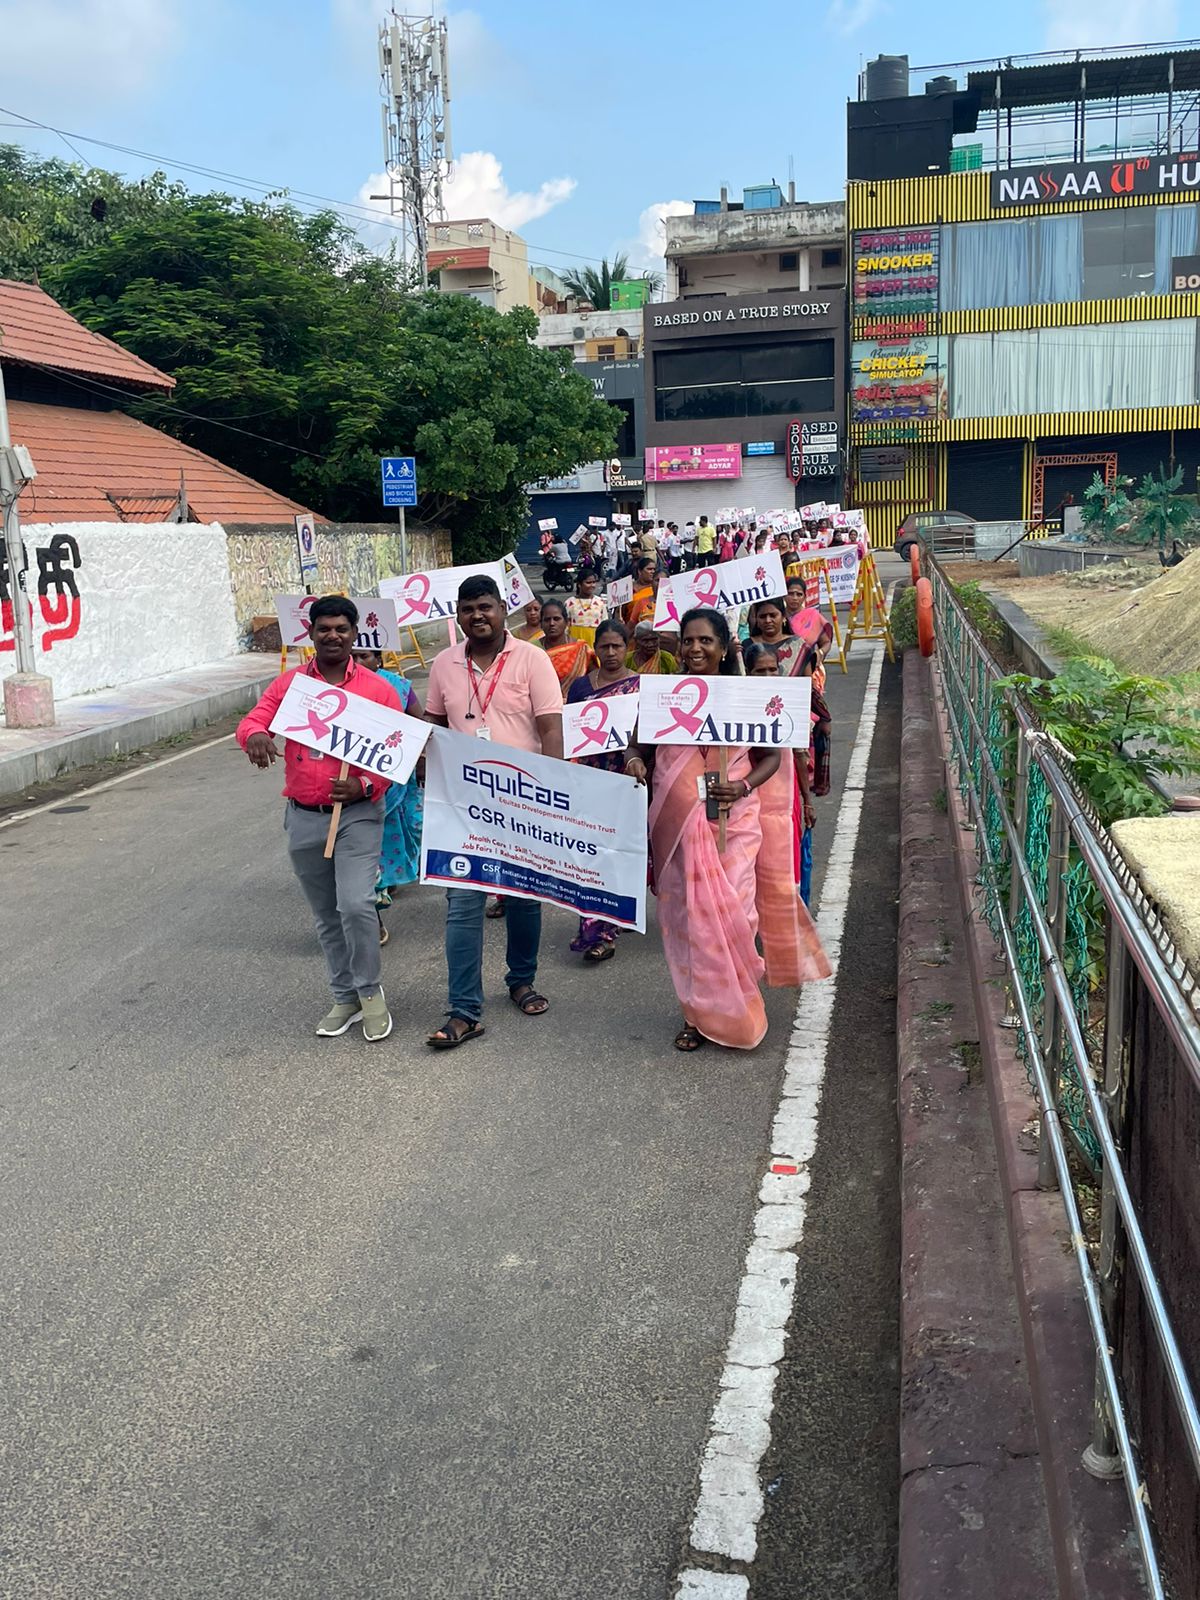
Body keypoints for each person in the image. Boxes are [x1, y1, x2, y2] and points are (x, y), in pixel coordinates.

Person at [628, 607, 830, 1051]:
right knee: (689, 923)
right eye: (688, 640)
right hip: (677, 828)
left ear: (723, 648)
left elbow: (772, 758)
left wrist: (740, 787)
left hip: (735, 823)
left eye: (705, 641)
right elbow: (637, 743)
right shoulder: (663, 695)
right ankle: (697, 1015)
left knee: (735, 916)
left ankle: (737, 1004)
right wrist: (636, 761)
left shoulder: (747, 695)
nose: (695, 648)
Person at [237, 596, 401, 1042]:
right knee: (326, 915)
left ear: (354, 634)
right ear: (310, 634)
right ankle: (343, 996)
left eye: (341, 629)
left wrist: (366, 787)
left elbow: (394, 755)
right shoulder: (290, 686)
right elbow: (253, 721)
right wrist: (254, 736)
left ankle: (370, 994)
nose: (333, 635)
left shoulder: (378, 689)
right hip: (304, 817)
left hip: (358, 816)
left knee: (355, 904)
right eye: (324, 628)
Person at [423, 575, 565, 1047]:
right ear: (458, 615)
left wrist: (553, 795)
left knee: (523, 899)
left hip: (522, 802)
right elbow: (435, 724)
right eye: (468, 609)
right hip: (463, 808)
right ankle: (464, 1010)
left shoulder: (532, 659)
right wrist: (422, 761)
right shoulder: (444, 663)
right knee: (462, 905)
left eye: (485, 607)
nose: (477, 616)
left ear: (502, 609)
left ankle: (521, 980)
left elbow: (550, 730)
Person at [564, 617, 640, 964]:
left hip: (628, 780)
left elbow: (647, 739)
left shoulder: (641, 686)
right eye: (604, 646)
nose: (611, 652)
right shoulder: (580, 687)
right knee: (593, 853)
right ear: (595, 647)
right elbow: (572, 733)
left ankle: (619, 914)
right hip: (591, 780)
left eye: (617, 646)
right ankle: (598, 932)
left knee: (622, 852)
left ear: (628, 648)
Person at [538, 597, 595, 693]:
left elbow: (595, 677)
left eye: (556, 619)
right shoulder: (533, 649)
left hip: (577, 704)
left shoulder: (581, 649)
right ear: (541, 624)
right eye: (547, 620)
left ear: (567, 622)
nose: (552, 623)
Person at [746, 596, 808, 675]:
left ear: (783, 616)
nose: (768, 620)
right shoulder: (747, 646)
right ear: (757, 620)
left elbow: (808, 682)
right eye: (762, 616)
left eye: (773, 615)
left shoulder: (799, 646)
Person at [564, 570, 608, 647]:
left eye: (594, 582)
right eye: (588, 583)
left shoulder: (600, 602)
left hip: (594, 642)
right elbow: (565, 627)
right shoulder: (569, 603)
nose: (592, 585)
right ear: (579, 584)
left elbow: (604, 624)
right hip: (574, 644)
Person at [623, 557, 659, 632]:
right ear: (639, 571)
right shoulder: (628, 588)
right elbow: (620, 611)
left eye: (654, 569)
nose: (652, 572)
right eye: (649, 569)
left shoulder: (657, 589)